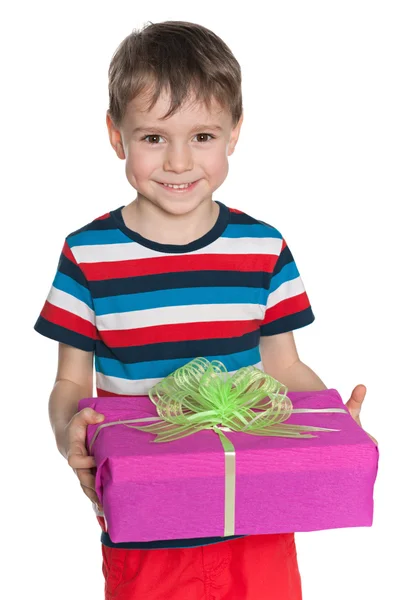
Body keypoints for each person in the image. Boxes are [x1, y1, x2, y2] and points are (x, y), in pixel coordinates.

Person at [34, 20, 377, 600]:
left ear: (234, 134)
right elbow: (72, 382)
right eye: (152, 138)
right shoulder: (86, 254)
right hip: (147, 521)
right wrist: (69, 434)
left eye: (202, 136)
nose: (177, 161)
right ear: (116, 136)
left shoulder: (263, 247)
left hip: (257, 513)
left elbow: (285, 367)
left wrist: (330, 429)